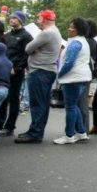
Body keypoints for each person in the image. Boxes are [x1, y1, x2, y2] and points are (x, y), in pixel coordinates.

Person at [16, 10, 63, 144]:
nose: (37, 21)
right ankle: (34, 131)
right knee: (41, 103)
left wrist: (34, 48)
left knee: (38, 104)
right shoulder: (54, 31)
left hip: (40, 71)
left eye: (39, 18)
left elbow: (27, 48)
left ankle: (35, 133)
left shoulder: (47, 33)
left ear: (45, 20)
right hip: (45, 71)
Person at [54, 18, 92, 145]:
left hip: (72, 79)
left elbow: (69, 62)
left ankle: (69, 135)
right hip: (81, 78)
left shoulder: (75, 43)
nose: (69, 29)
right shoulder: (83, 42)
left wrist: (59, 75)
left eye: (71, 27)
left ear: (77, 30)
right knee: (74, 105)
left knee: (70, 106)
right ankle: (81, 133)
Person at [0, 11, 32, 138]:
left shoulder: (26, 36)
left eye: (15, 18)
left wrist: (16, 69)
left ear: (21, 21)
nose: (11, 20)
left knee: (13, 99)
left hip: (16, 72)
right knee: (2, 99)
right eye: (11, 18)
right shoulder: (6, 35)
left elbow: (26, 55)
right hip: (3, 71)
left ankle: (10, 127)